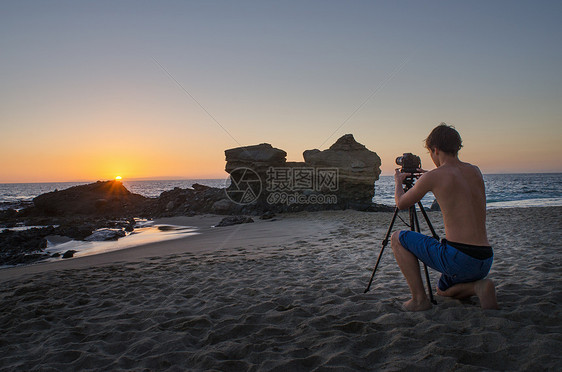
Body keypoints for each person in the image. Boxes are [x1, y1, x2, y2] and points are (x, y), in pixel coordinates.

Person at [391, 123, 498, 311]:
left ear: (435, 149)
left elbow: (401, 203)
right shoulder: (475, 170)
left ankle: (418, 300)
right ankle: (478, 286)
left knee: (397, 238)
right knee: (442, 290)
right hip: (484, 260)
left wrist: (398, 182)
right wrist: (429, 177)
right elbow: (453, 185)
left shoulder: (434, 177)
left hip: (459, 259)